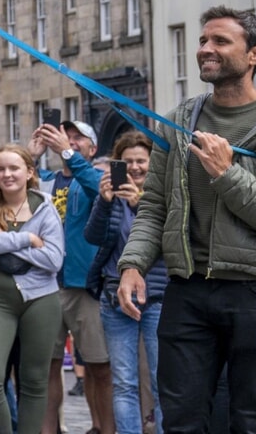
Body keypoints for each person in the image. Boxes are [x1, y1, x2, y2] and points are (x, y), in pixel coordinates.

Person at [115, 6, 256, 432]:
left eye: (220, 41)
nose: (205, 49)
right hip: (187, 290)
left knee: (250, 421)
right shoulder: (179, 120)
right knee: (181, 420)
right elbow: (155, 203)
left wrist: (227, 175)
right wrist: (133, 264)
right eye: (202, 40)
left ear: (255, 54)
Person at [0, 145, 65, 434]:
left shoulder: (46, 207)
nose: (7, 174)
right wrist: (27, 239)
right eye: (0, 168)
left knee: (35, 379)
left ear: (29, 172)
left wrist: (8, 238)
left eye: (14, 168)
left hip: (40, 298)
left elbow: (53, 259)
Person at [28, 120, 109, 434]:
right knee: (46, 365)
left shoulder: (96, 176)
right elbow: (14, 184)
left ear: (93, 148)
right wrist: (31, 158)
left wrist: (69, 154)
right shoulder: (45, 180)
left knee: (98, 364)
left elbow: (99, 191)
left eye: (78, 139)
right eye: (64, 137)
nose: (69, 142)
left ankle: (102, 427)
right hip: (46, 283)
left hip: (84, 285)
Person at [86, 131, 163, 434]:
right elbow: (93, 237)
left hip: (156, 296)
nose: (134, 168)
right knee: (124, 382)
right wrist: (105, 203)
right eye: (127, 162)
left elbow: (166, 244)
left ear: (152, 163)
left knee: (160, 380)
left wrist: (139, 205)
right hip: (115, 296)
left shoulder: (163, 197)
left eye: (141, 161)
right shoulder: (112, 199)